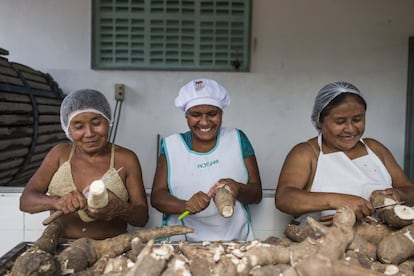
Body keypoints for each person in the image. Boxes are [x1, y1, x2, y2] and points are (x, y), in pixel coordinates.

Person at [275, 81, 414, 225]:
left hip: (381, 242)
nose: (350, 129)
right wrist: (337, 201)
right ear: (319, 122)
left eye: (357, 119)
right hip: (324, 244)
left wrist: (399, 194)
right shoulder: (306, 153)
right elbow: (284, 198)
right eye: (340, 121)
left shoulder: (375, 149)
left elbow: (410, 190)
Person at [20, 89, 149, 239]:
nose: (89, 133)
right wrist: (57, 202)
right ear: (68, 129)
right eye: (79, 126)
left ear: (108, 121)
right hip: (62, 247)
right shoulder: (59, 154)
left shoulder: (126, 159)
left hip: (112, 249)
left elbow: (142, 218)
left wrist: (120, 208)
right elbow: (26, 201)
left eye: (96, 123)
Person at [151, 78, 262, 241]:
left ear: (221, 113)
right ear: (186, 116)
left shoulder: (237, 139)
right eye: (195, 114)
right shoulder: (171, 146)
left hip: (234, 242)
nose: (204, 122)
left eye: (212, 114)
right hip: (180, 244)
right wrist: (185, 205)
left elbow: (256, 194)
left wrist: (238, 188)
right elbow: (157, 197)